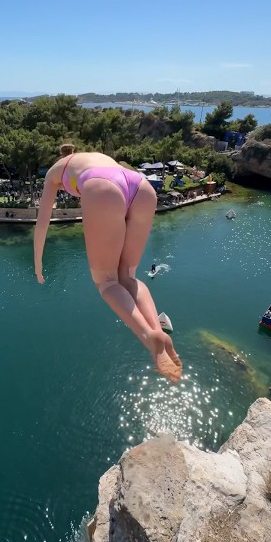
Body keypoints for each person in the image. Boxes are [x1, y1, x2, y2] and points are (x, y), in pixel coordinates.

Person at [34, 144, 182, 382]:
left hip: (103, 187)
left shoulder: (55, 171)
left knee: (107, 282)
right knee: (128, 276)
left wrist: (38, 263)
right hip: (140, 186)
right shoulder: (96, 157)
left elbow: (42, 222)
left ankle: (148, 336)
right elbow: (117, 178)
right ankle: (157, 331)